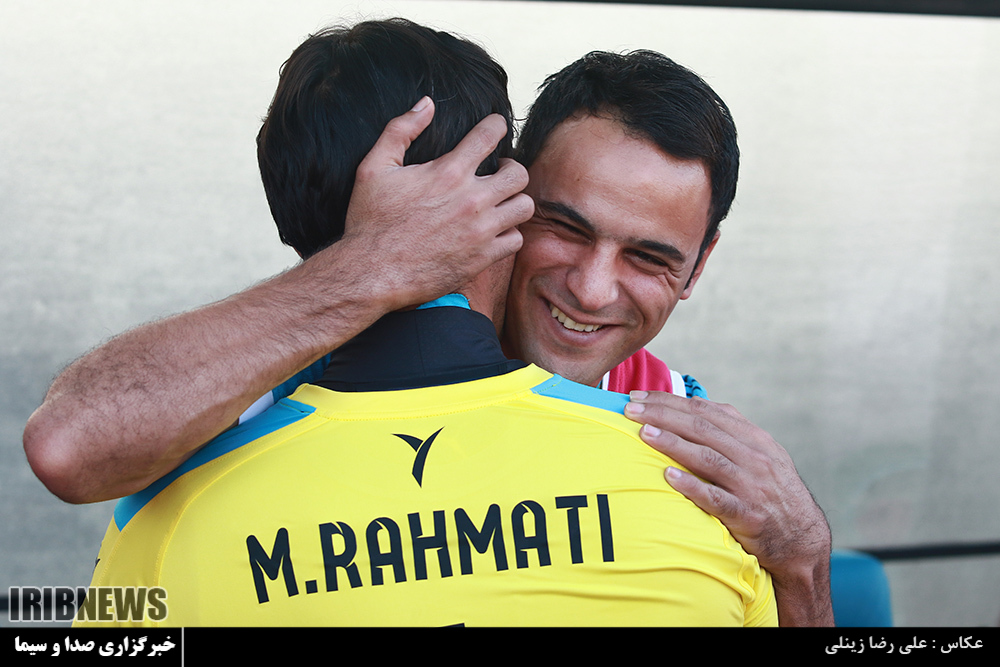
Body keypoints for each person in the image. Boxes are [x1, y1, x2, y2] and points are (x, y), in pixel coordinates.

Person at [25, 23, 831, 625]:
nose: (591, 290)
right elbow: (67, 444)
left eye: (649, 257)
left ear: (700, 265)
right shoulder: (256, 368)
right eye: (564, 225)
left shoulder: (693, 443)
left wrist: (803, 562)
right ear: (490, 200)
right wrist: (374, 264)